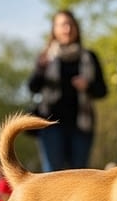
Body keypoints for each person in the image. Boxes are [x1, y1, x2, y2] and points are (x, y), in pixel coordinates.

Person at [27, 10, 107, 171]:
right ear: (54, 29)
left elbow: (102, 91)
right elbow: (33, 87)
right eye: (63, 25)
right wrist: (40, 69)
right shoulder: (46, 57)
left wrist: (87, 86)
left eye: (71, 24)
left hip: (81, 125)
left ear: (76, 28)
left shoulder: (89, 57)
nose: (67, 29)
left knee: (79, 174)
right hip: (50, 123)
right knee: (53, 173)